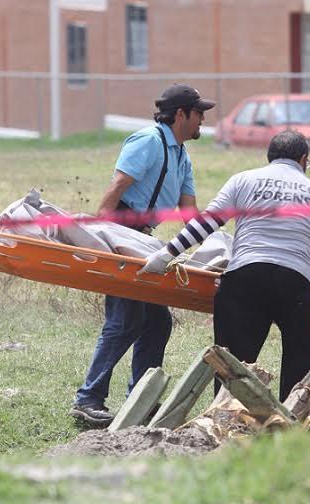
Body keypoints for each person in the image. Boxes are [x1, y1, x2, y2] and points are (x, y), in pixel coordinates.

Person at [140, 130, 310, 402]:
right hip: (294, 280)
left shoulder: (243, 180)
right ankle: (293, 423)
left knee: (233, 361)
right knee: (300, 357)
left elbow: (205, 224)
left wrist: (165, 255)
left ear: (270, 158)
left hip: (245, 277)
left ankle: (227, 417)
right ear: (303, 159)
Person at [70, 84, 216, 426]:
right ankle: (88, 399)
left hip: (142, 239)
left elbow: (189, 212)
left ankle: (140, 399)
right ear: (180, 114)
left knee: (156, 322)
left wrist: (215, 246)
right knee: (125, 321)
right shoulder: (148, 140)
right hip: (120, 233)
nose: (203, 121)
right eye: (199, 114)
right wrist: (101, 239)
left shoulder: (181, 154)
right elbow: (117, 187)